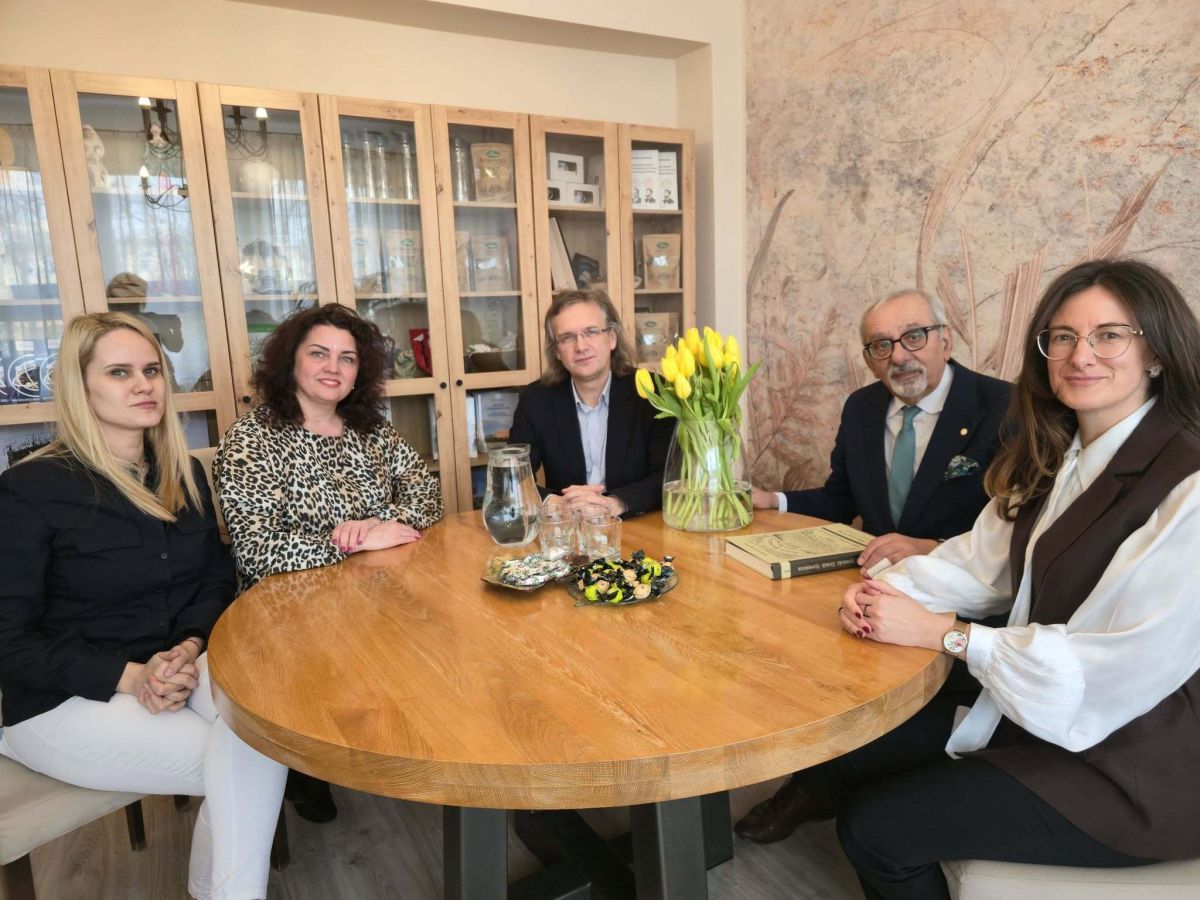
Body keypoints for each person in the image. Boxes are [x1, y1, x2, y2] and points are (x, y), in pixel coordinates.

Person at [786, 259, 1200, 898]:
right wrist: (885, 592)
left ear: (1158, 352)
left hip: (1138, 764)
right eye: (1063, 337)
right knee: (863, 748)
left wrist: (948, 635)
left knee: (874, 831)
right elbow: (978, 563)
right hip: (1047, 712)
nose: (1081, 355)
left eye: (1110, 335)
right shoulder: (1056, 452)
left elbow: (1114, 666)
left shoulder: (1188, 482)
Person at [0, 312, 284, 900]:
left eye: (152, 370)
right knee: (248, 761)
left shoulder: (183, 473)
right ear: (81, 387)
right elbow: (9, 642)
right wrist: (132, 677)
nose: (143, 385)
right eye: (119, 372)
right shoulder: (31, 490)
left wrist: (187, 647)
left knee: (268, 726)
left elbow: (213, 578)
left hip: (173, 665)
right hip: (61, 699)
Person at [737, 290, 1010, 843]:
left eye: (914, 337)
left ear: (945, 339)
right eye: (880, 345)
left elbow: (1020, 529)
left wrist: (931, 545)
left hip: (961, 604)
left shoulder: (1004, 406)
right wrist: (773, 500)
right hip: (871, 589)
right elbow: (840, 499)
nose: (899, 356)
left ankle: (822, 784)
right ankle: (815, 773)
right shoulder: (862, 407)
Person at [214, 303, 442, 823]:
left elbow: (427, 494)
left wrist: (381, 524)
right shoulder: (252, 439)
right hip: (290, 613)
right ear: (290, 361)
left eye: (347, 358)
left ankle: (406, 745)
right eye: (319, 354)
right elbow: (256, 548)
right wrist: (350, 543)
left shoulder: (371, 429)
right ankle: (306, 764)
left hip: (381, 596)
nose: (333, 368)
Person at [509, 289, 673, 517]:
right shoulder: (536, 400)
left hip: (635, 524)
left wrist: (616, 503)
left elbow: (670, 476)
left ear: (612, 338)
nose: (581, 346)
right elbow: (512, 477)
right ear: (557, 351)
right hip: (567, 526)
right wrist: (554, 503)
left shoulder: (652, 392)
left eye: (591, 332)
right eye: (567, 337)